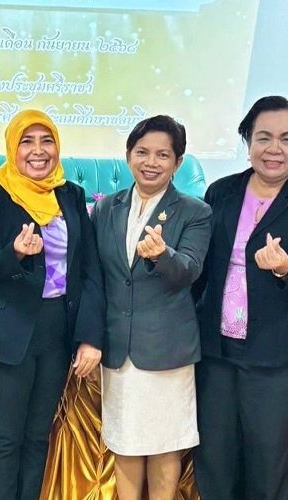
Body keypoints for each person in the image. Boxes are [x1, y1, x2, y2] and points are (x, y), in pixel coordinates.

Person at [190, 96, 288, 500]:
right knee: (214, 461)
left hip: (280, 357)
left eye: (287, 139)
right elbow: (200, 273)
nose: (274, 149)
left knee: (269, 466)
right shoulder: (221, 192)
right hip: (217, 353)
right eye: (263, 137)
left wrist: (286, 267)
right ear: (248, 141)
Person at [0, 109, 104, 500]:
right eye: (27, 141)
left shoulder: (70, 195)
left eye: (47, 141)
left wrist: (90, 336)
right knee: (5, 439)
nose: (38, 151)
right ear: (13, 147)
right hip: (7, 331)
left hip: (57, 330)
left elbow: (89, 270)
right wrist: (15, 252)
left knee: (38, 436)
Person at [91, 115, 210, 500]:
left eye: (163, 155)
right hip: (117, 347)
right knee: (125, 442)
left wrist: (162, 255)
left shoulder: (194, 211)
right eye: (142, 152)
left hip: (166, 349)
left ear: (178, 162)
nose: (151, 162)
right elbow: (95, 278)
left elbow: (190, 270)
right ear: (128, 155)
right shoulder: (106, 208)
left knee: (164, 445)